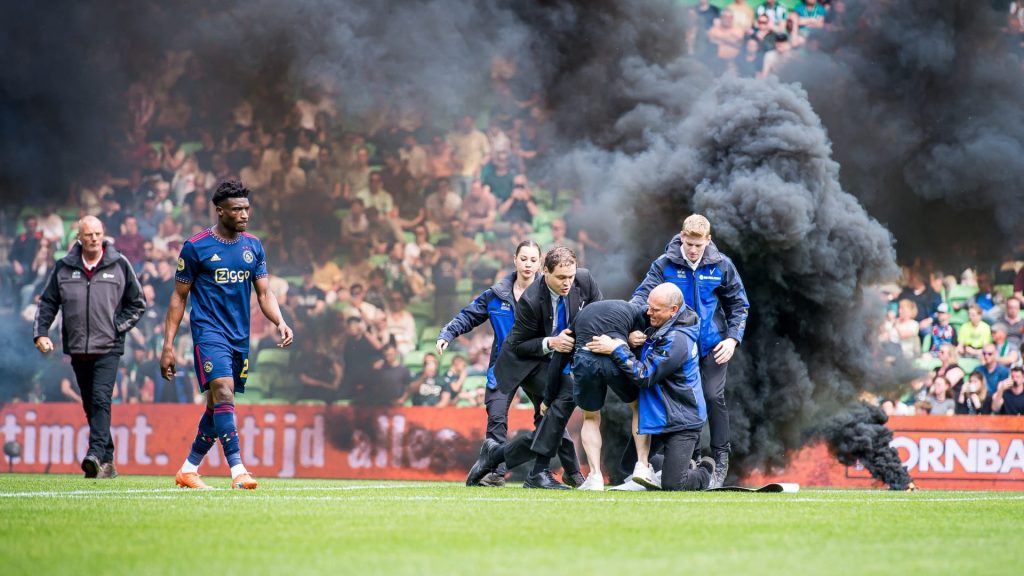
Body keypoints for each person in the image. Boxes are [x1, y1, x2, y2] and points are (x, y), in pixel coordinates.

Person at [161, 180, 294, 490]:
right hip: (208, 332)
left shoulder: (253, 246)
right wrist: (167, 346)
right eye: (237, 209)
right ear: (220, 211)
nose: (244, 214)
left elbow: (264, 294)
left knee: (217, 404)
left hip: (239, 337)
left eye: (246, 208)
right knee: (223, 390)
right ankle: (238, 470)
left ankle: (189, 468)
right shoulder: (196, 247)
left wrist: (280, 321)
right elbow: (179, 297)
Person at [629, 214, 748, 489]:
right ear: (682, 237)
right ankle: (691, 458)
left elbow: (739, 306)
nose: (693, 249)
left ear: (708, 240)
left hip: (711, 346)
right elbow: (641, 297)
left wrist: (732, 339)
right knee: (681, 400)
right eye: (689, 243)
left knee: (711, 396)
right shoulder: (664, 264)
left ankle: (719, 458)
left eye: (698, 244)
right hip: (678, 348)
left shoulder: (721, 265)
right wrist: (627, 324)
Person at [466, 246, 599, 490]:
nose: (568, 282)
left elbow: (596, 312)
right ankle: (543, 473)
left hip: (558, 360)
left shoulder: (584, 279)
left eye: (571, 276)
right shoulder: (530, 300)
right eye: (561, 277)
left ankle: (497, 456)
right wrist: (552, 342)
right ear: (545, 272)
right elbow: (517, 345)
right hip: (526, 362)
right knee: (565, 396)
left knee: (553, 418)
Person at [438, 240, 564, 487]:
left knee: (548, 417)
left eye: (533, 260)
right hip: (504, 365)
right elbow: (469, 315)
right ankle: (494, 472)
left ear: (540, 264)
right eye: (524, 259)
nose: (528, 264)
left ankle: (542, 472)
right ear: (514, 259)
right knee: (496, 418)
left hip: (540, 363)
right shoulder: (497, 294)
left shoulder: (551, 294)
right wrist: (447, 334)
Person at [33, 216, 146, 479]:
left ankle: (94, 454)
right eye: (89, 234)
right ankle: (107, 460)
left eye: (98, 234)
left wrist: (116, 327)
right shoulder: (63, 267)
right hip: (77, 347)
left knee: (100, 398)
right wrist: (41, 333)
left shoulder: (119, 264)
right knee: (89, 403)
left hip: (109, 346)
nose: (94, 238)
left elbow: (137, 303)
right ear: (79, 238)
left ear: (103, 235)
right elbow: (47, 303)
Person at [587, 283, 715, 491]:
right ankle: (681, 464)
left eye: (655, 310)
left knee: (673, 484)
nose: (648, 313)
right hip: (657, 416)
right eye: (649, 307)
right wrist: (628, 339)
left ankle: (704, 471)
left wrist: (617, 348)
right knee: (630, 467)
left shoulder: (678, 340)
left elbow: (644, 376)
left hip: (682, 421)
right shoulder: (664, 321)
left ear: (673, 310)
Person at [547, 299, 650, 491]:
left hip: (585, 358)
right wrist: (628, 340)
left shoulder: (581, 316)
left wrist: (548, 398)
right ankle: (642, 467)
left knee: (591, 416)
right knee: (638, 405)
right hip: (615, 358)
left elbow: (560, 355)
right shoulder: (638, 314)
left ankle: (595, 477)